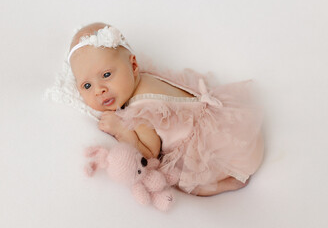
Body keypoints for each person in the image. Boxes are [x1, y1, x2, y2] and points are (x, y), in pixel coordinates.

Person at [67, 22, 264, 196]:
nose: (99, 90)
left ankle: (225, 183)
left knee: (182, 181)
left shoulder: (141, 108)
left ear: (133, 65)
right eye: (87, 86)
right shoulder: (146, 78)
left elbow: (150, 153)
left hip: (222, 154)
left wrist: (121, 130)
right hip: (233, 130)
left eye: (107, 74)